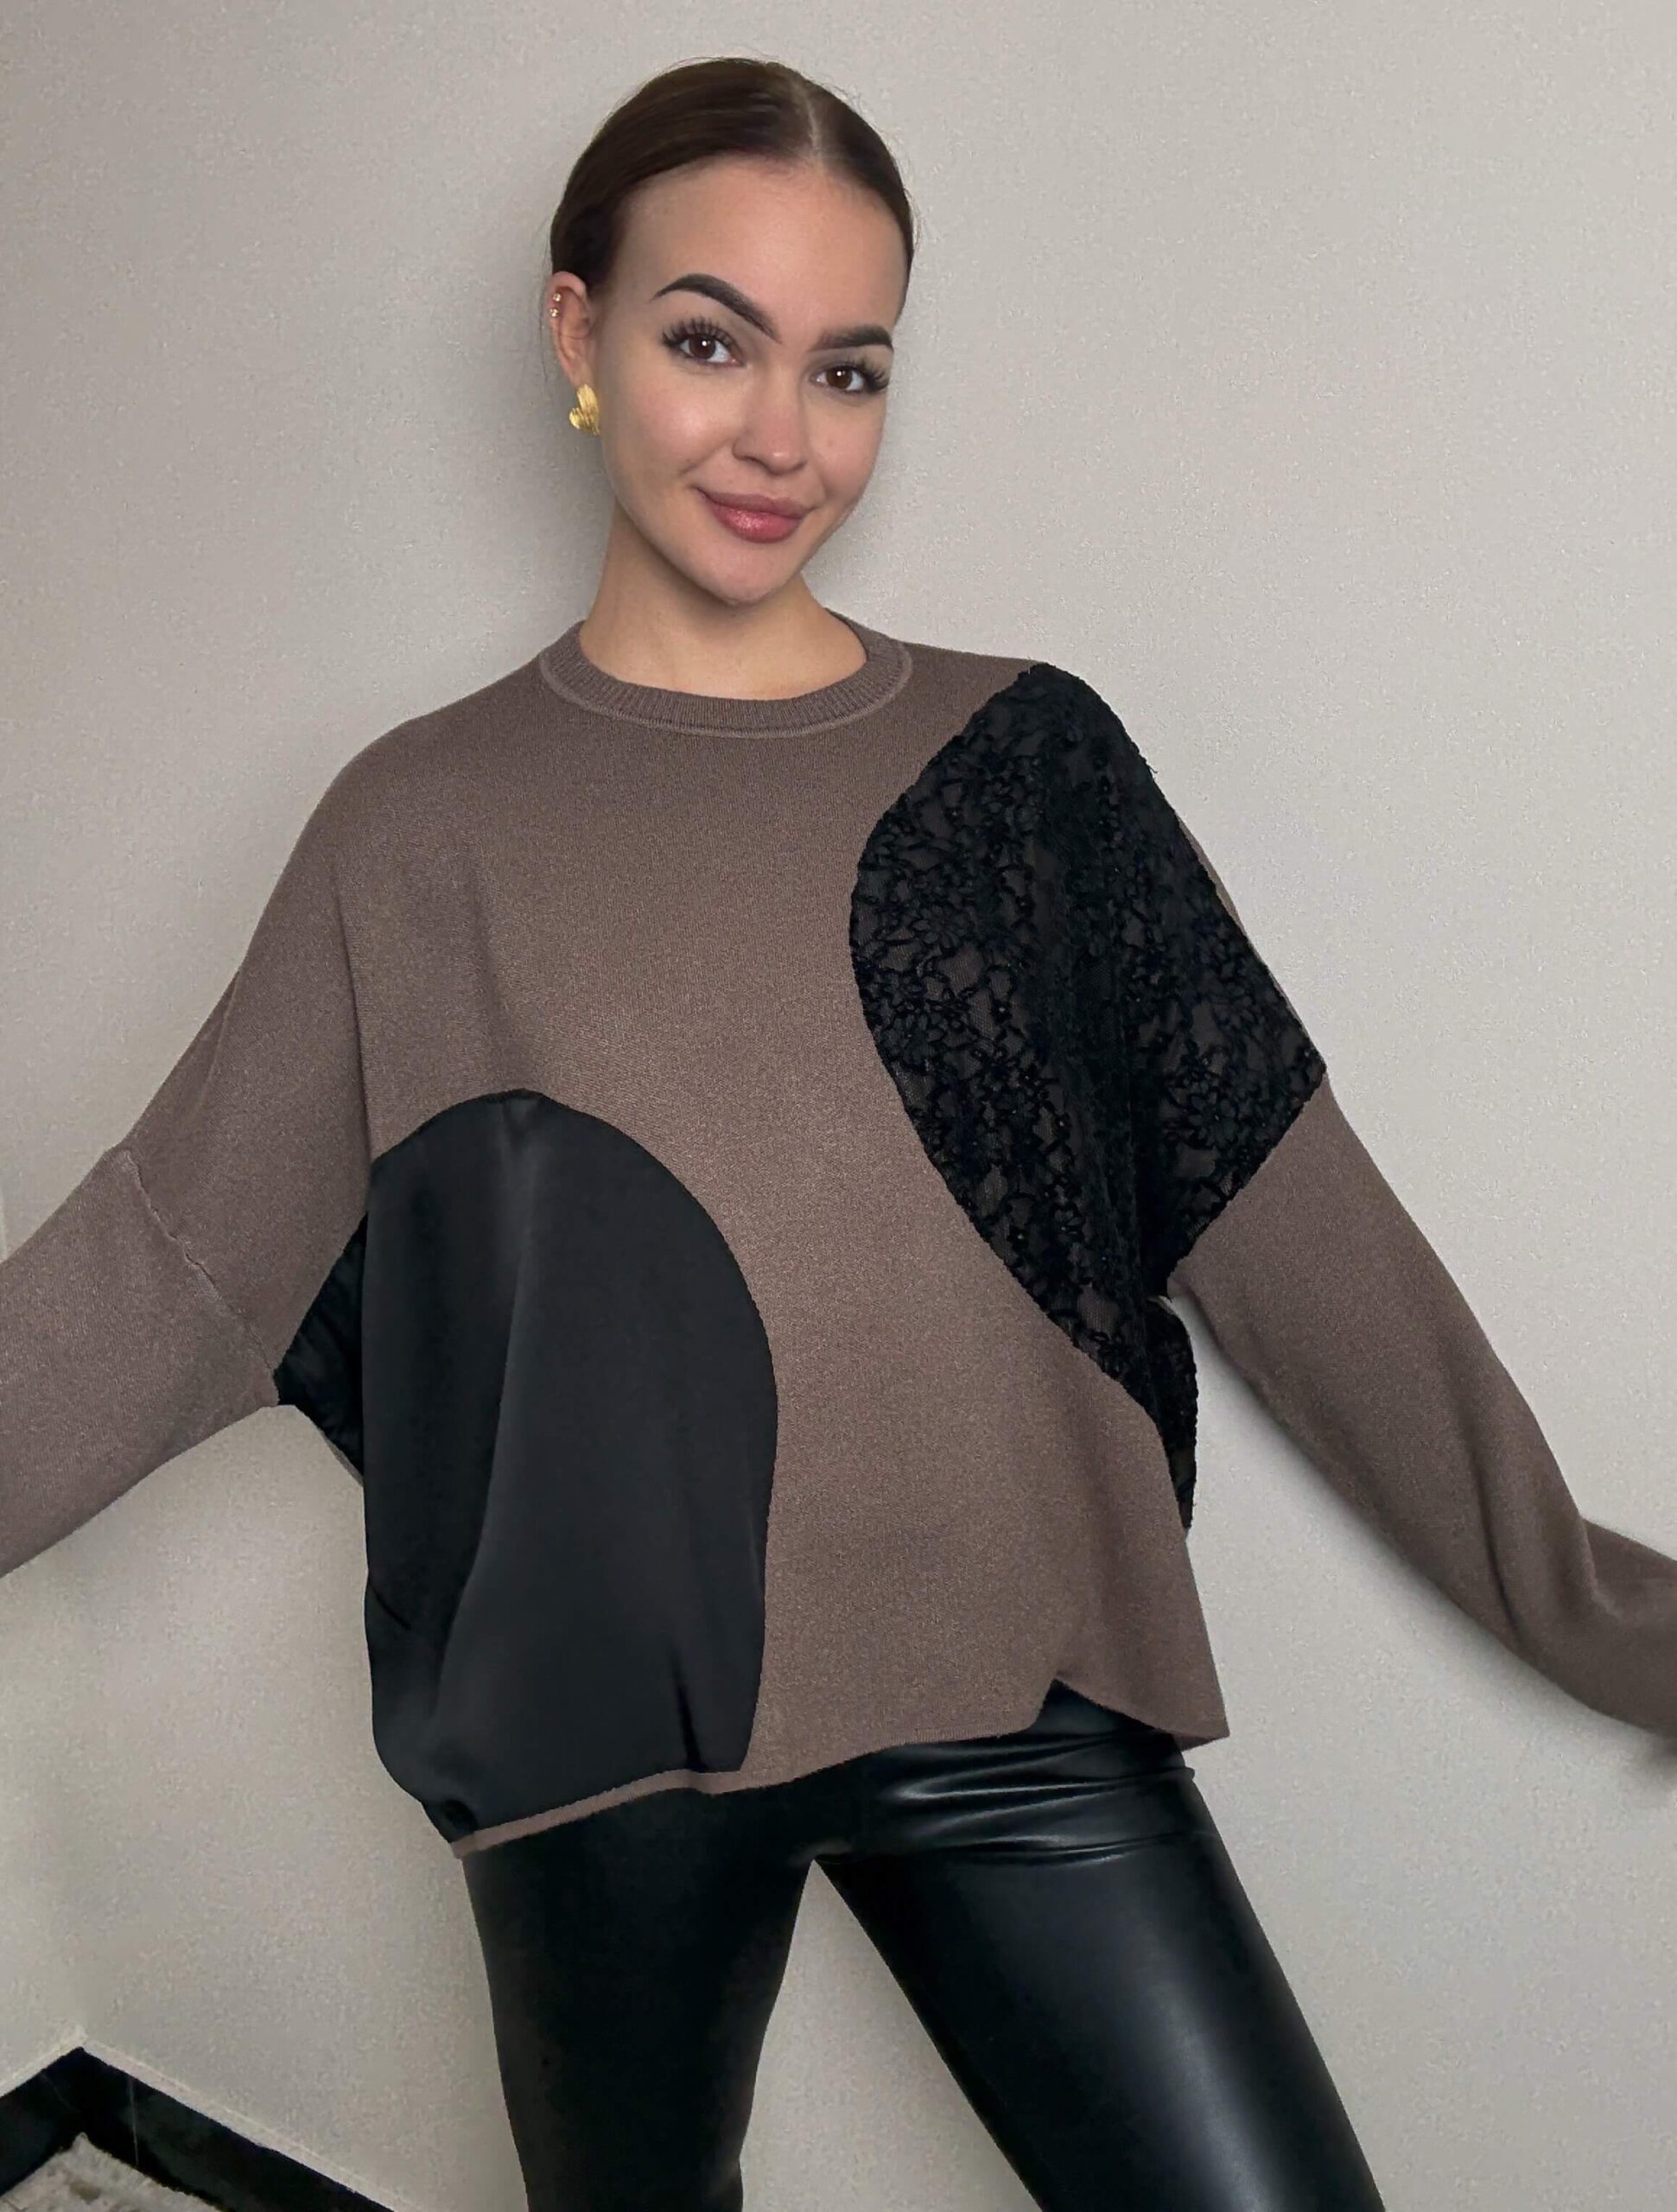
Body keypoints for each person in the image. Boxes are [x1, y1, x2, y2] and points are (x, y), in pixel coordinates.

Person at [4, 51, 1674, 2212]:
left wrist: (1601, 1615)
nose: (781, 435)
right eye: (711, 340)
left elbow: (1304, 1237)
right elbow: (153, 1282)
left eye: (848, 366)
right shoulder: (420, 827)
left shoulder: (1025, 767)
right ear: (578, 330)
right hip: (604, 1760)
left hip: (1014, 1711)